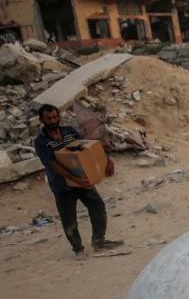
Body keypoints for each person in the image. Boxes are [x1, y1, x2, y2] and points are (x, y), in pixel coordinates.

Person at [33, 104, 122, 259]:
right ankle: (78, 249)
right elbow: (52, 164)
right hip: (61, 184)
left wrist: (107, 160)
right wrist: (76, 180)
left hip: (82, 179)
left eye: (55, 117)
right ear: (41, 119)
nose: (53, 120)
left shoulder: (69, 132)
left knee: (98, 206)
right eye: (49, 118)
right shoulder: (41, 141)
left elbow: (87, 149)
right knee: (69, 218)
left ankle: (99, 241)